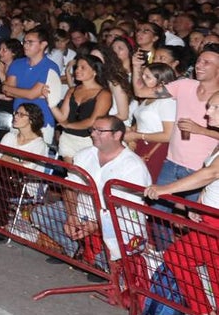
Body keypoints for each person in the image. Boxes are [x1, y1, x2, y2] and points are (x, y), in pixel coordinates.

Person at [33, 116, 150, 272]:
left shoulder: (133, 165)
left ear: (117, 135)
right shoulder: (84, 154)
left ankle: (101, 262)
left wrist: (97, 224)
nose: (93, 134)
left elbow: (128, 206)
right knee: (40, 214)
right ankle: (76, 250)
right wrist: (72, 215)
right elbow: (70, 187)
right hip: (85, 212)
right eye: (93, 130)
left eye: (100, 131)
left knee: (114, 250)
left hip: (118, 221)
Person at [143, 91, 219, 315]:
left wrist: (166, 189)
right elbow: (212, 179)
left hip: (216, 221)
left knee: (178, 255)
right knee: (214, 267)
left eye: (215, 107)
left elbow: (211, 173)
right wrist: (198, 203)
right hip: (210, 215)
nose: (207, 112)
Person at [132, 44, 219, 208]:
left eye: (206, 62)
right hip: (171, 162)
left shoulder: (217, 99)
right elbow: (141, 92)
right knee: (158, 214)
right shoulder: (184, 85)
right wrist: (136, 67)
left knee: (195, 217)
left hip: (200, 170)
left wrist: (201, 130)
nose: (199, 65)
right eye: (199, 61)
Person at [2, 27, 63, 144]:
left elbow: (30, 94)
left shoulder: (50, 67)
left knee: (36, 154)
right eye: (24, 42)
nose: (25, 45)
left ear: (43, 44)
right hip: (19, 119)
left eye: (30, 42)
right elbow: (7, 91)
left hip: (41, 122)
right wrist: (32, 93)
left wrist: (14, 90)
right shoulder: (17, 63)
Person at [53, 54, 113, 162]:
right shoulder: (72, 90)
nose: (77, 70)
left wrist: (68, 125)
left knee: (86, 171)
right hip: (68, 138)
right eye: (77, 67)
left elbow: (93, 121)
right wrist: (50, 102)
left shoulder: (104, 94)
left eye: (83, 67)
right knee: (71, 171)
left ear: (94, 71)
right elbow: (62, 117)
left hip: (89, 140)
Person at [123, 62, 177, 181]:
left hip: (156, 148)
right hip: (141, 143)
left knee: (146, 181)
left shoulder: (167, 102)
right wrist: (131, 132)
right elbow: (143, 122)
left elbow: (168, 135)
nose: (142, 79)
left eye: (147, 77)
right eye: (143, 75)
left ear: (161, 83)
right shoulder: (148, 98)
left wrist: (136, 135)